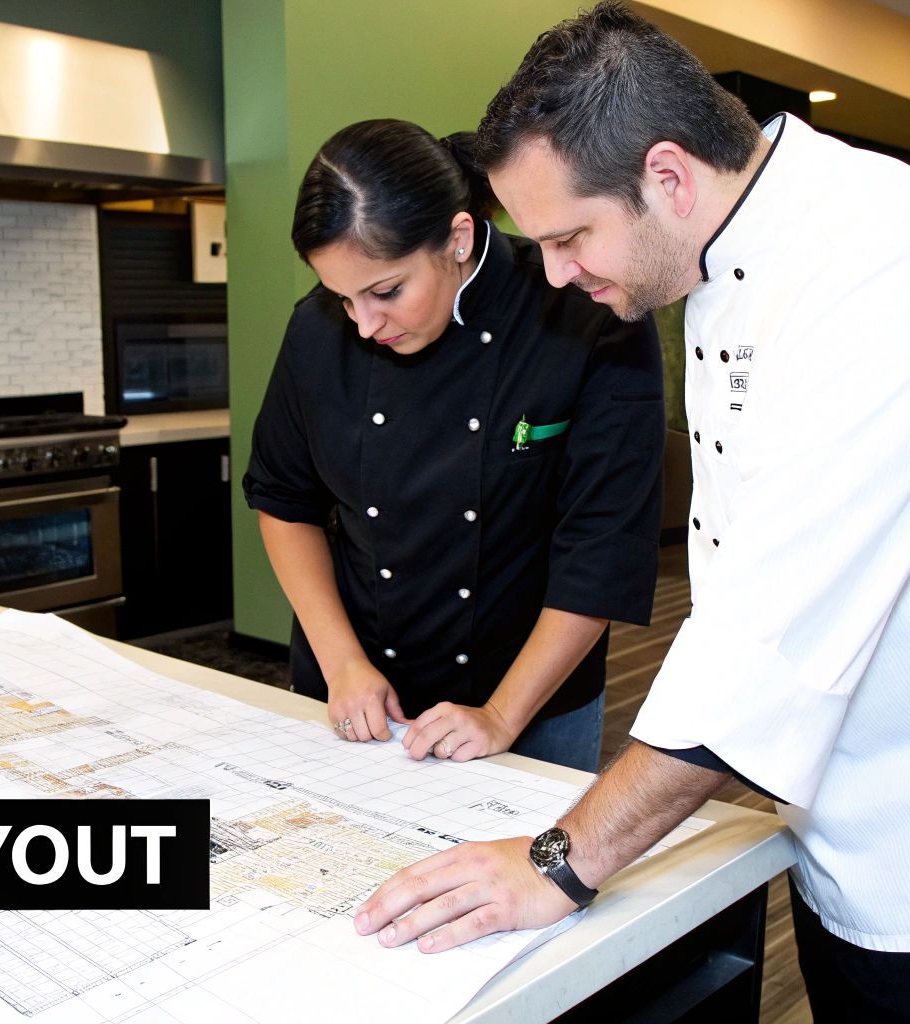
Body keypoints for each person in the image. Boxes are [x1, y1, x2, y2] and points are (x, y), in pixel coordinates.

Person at [352, 5, 910, 1021]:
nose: (553, 271)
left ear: (666, 176)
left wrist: (559, 861)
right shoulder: (720, 253)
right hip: (844, 786)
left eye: (567, 236)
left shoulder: (881, 271)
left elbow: (773, 641)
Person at [242, 118, 666, 772]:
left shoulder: (582, 319)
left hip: (533, 702)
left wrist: (501, 715)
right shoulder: (317, 331)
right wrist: (342, 663)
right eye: (342, 297)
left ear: (459, 238)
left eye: (387, 292)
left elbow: (602, 550)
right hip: (360, 694)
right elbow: (284, 501)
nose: (364, 324)